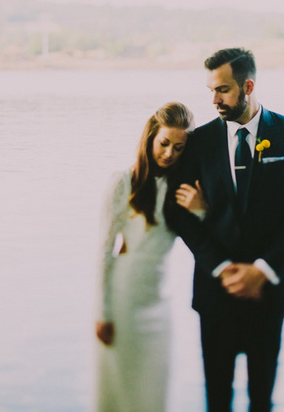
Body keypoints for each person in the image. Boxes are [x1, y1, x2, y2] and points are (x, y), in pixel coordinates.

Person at [167, 48, 284, 411]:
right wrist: (222, 267)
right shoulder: (199, 142)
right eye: (211, 90)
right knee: (217, 396)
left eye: (223, 90)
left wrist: (261, 270)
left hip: (270, 287)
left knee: (262, 396)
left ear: (248, 86)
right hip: (217, 287)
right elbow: (181, 214)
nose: (214, 99)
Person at [94, 102, 205, 411]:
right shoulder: (123, 182)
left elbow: (205, 239)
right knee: (119, 385)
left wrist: (203, 211)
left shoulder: (183, 189)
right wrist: (103, 313)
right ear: (150, 139)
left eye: (179, 147)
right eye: (164, 143)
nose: (169, 153)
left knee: (155, 387)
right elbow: (104, 251)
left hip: (160, 300)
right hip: (124, 297)